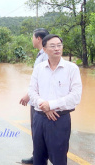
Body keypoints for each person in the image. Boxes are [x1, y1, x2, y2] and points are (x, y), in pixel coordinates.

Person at [28, 34, 82, 165]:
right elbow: (32, 91)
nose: (57, 48)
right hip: (39, 118)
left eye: (59, 45)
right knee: (38, 157)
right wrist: (43, 105)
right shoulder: (39, 68)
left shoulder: (71, 69)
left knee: (59, 158)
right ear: (45, 49)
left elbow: (75, 96)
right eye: (52, 46)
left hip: (59, 119)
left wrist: (51, 105)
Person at [19, 28, 49, 164]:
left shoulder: (46, 56)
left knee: (40, 133)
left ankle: (40, 158)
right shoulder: (41, 54)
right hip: (36, 100)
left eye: (32, 37)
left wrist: (28, 95)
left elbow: (42, 81)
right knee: (36, 132)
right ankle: (36, 156)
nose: (31, 40)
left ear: (38, 39)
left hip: (41, 101)